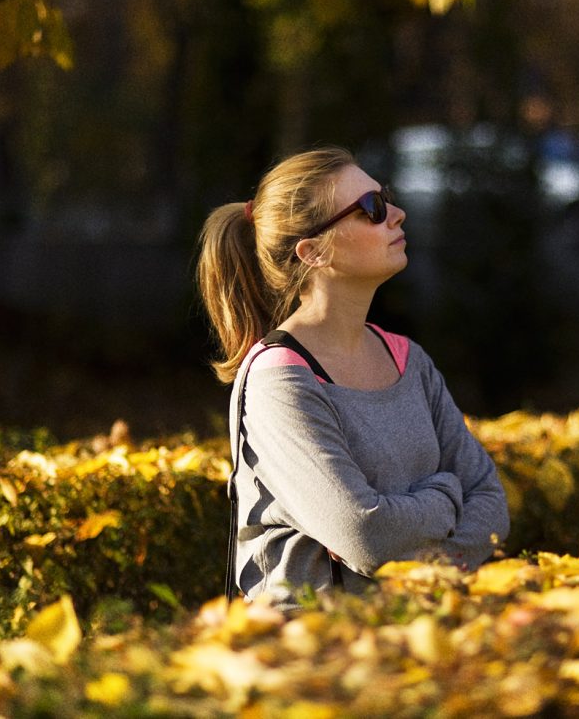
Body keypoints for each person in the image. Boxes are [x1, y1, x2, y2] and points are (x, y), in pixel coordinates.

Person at [196, 145, 510, 610]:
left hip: (424, 628)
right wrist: (446, 494)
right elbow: (364, 534)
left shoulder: (409, 360)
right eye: (372, 208)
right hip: (316, 652)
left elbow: (490, 501)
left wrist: (430, 572)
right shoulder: (279, 381)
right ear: (313, 252)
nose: (398, 214)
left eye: (387, 197)